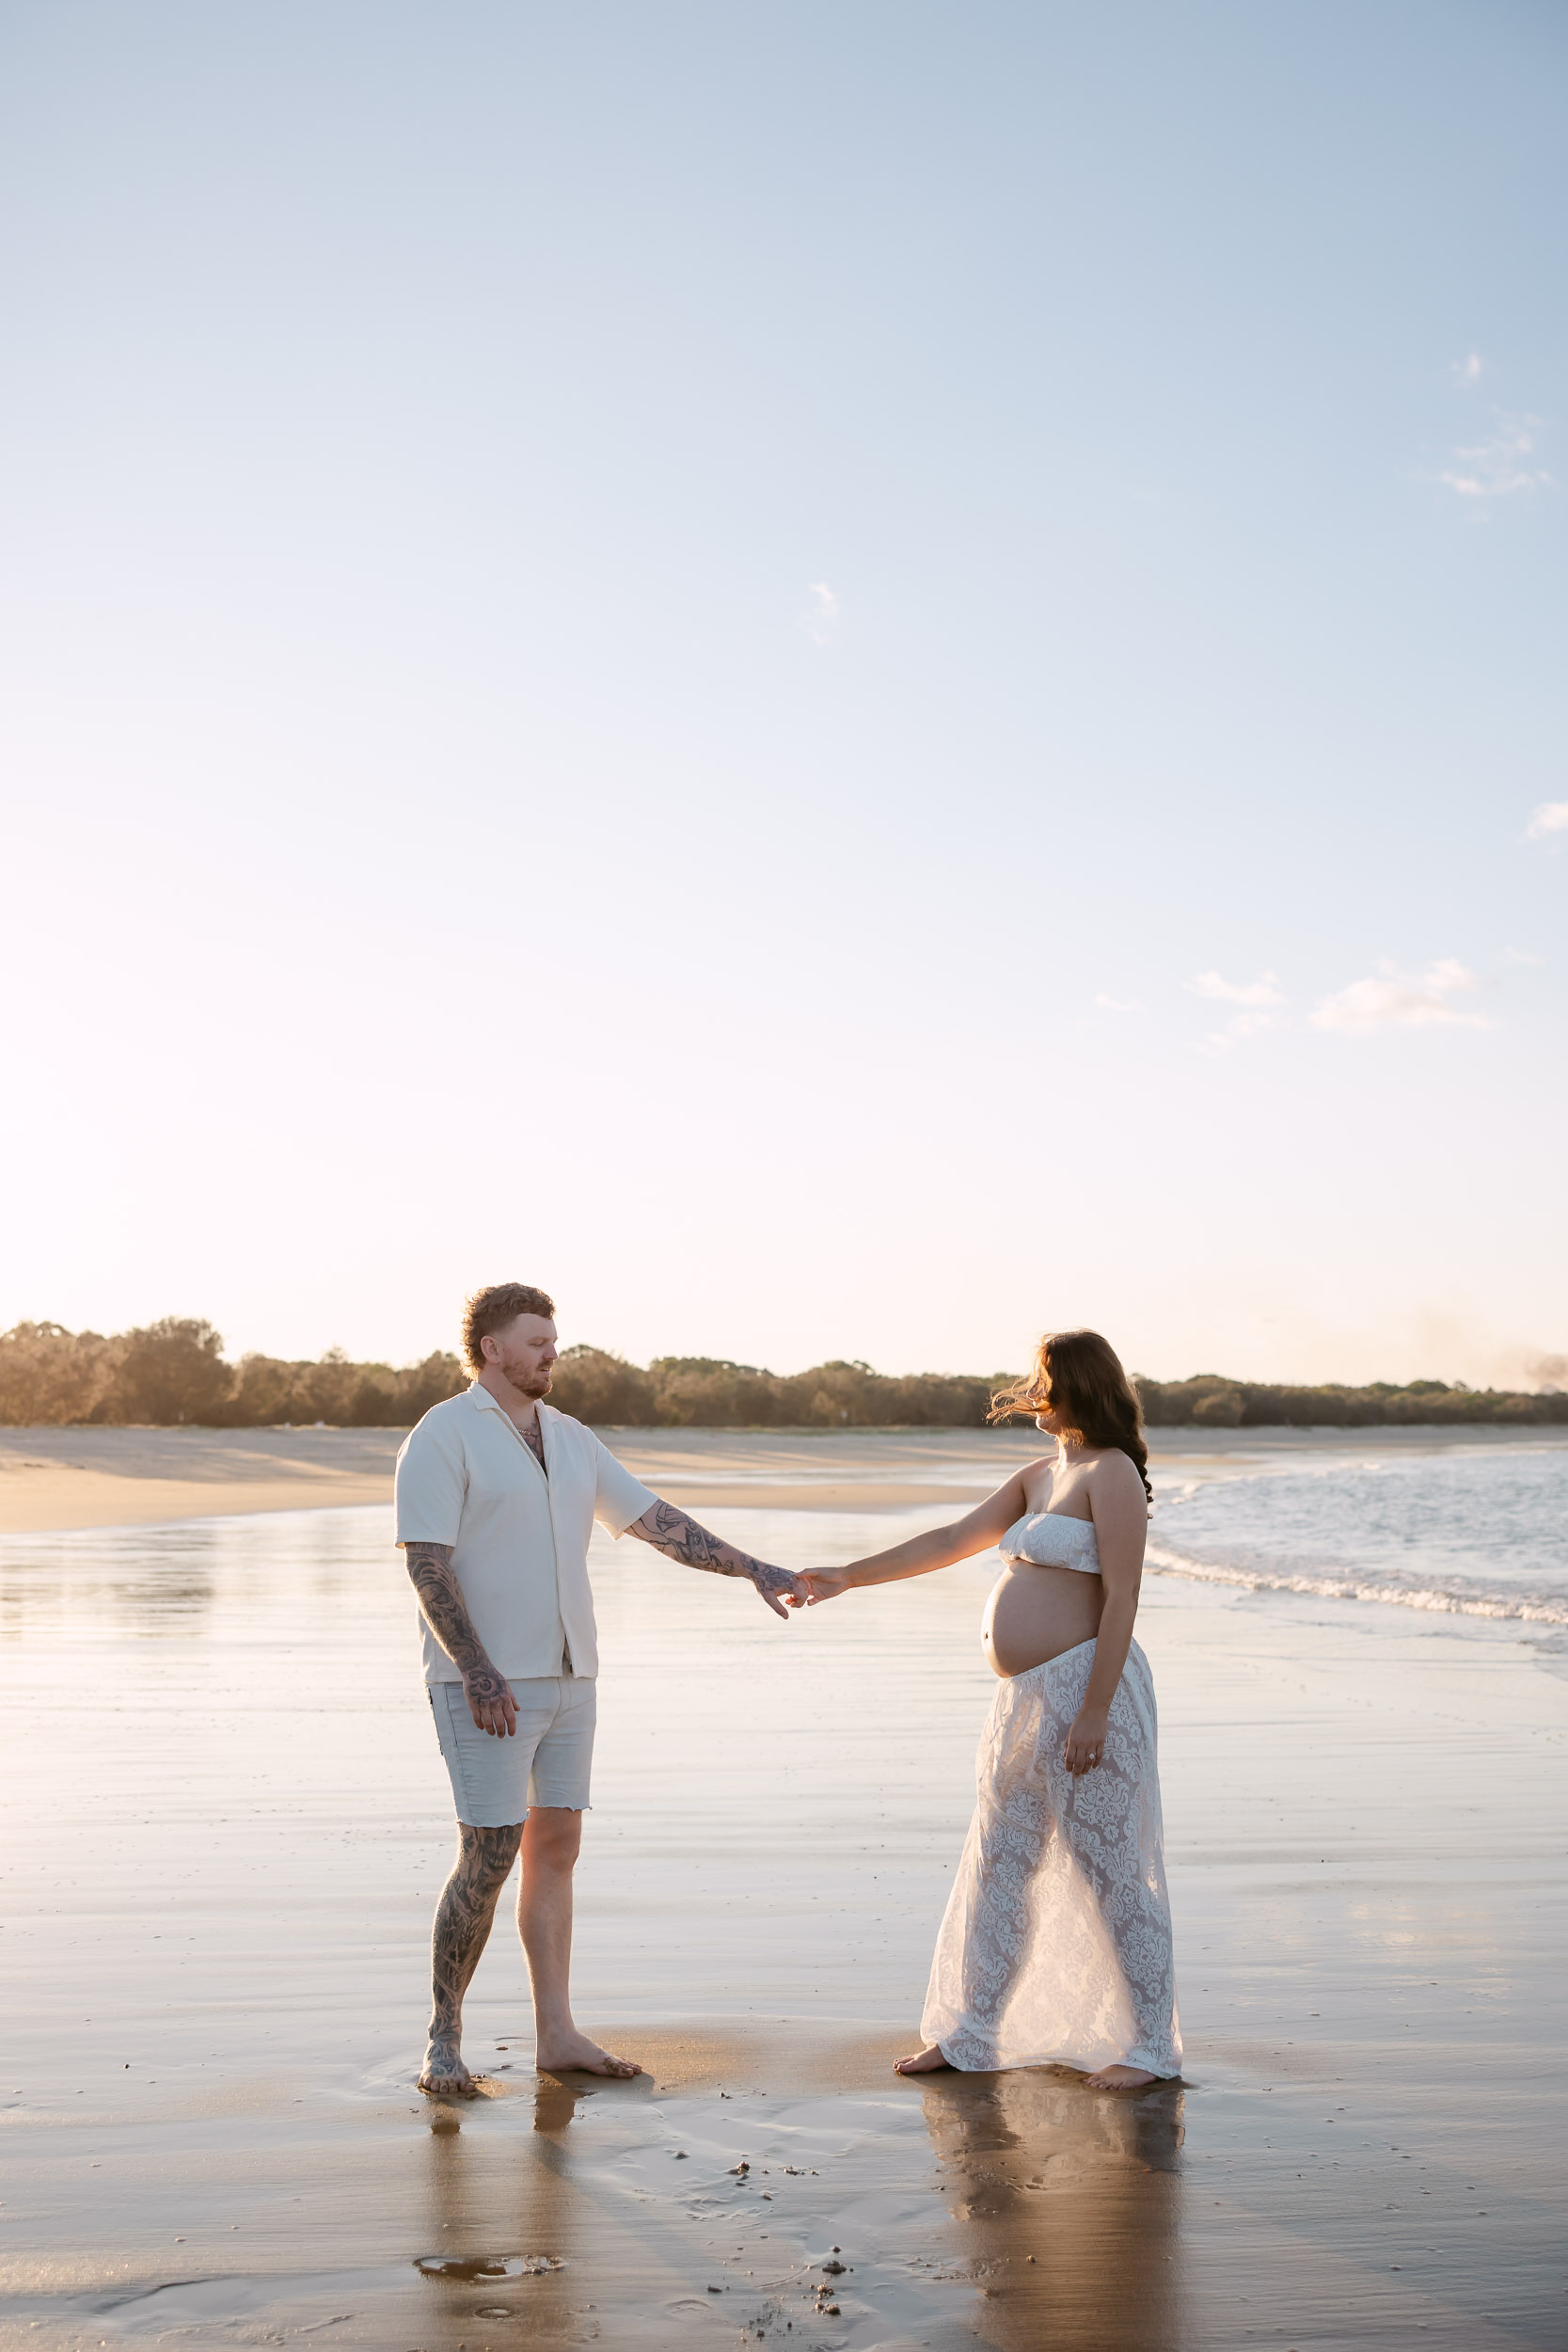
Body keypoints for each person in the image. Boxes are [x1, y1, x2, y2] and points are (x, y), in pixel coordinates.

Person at [395, 1280, 806, 2092]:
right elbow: (425, 1561)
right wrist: (477, 1668)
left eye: (555, 1338)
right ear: (493, 1350)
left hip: (572, 1674)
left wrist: (753, 1567)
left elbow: (657, 1523)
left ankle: (557, 2034)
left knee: (556, 1849)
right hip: (486, 1683)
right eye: (537, 1339)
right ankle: (443, 2037)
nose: (553, 1350)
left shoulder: (571, 1437)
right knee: (487, 1854)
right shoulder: (443, 1434)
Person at [795, 1328, 1180, 2089]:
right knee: (1002, 1866)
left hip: (1086, 1690)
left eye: (1041, 1378)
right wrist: (846, 1575)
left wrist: (1094, 1710)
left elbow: (1124, 1598)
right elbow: (948, 1539)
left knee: (1110, 1873)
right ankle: (971, 2034)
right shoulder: (1039, 1474)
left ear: (1074, 1385)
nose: (1029, 1389)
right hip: (1022, 1700)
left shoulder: (1111, 1474)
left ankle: (1147, 2049)